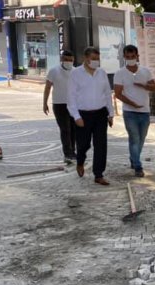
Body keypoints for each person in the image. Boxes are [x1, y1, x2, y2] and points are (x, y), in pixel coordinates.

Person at [67, 47, 114, 186]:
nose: (95, 61)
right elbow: (71, 97)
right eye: (93, 59)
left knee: (101, 145)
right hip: (83, 115)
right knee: (83, 144)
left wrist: (110, 113)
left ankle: (98, 174)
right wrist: (76, 116)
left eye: (97, 59)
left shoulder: (102, 73)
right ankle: (80, 161)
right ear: (85, 59)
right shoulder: (75, 74)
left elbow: (107, 94)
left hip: (100, 113)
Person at [113, 45, 155, 177]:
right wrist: (132, 104)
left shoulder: (145, 71)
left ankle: (134, 158)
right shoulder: (120, 73)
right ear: (124, 57)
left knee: (141, 139)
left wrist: (143, 85)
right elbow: (118, 94)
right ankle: (138, 166)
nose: (130, 59)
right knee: (134, 138)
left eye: (133, 56)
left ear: (137, 56)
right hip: (130, 112)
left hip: (144, 111)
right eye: (128, 57)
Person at [43, 50, 76, 164]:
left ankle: (73, 152)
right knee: (65, 129)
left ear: (73, 60)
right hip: (59, 105)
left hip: (73, 104)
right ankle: (67, 153)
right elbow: (47, 87)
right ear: (61, 59)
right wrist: (45, 103)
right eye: (66, 60)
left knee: (73, 130)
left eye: (71, 60)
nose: (68, 62)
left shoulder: (76, 71)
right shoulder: (54, 71)